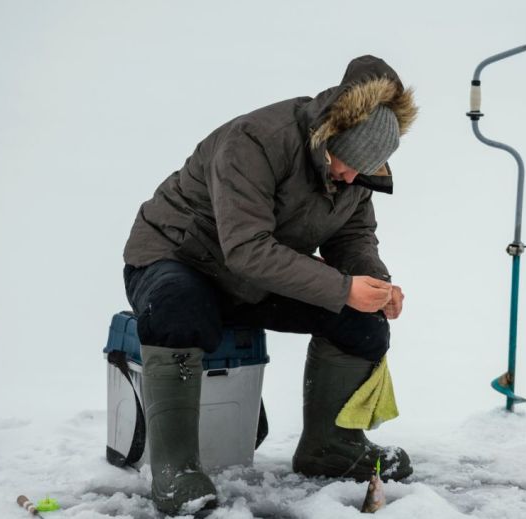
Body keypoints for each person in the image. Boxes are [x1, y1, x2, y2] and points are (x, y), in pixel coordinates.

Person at [121, 55, 417, 515]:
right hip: (178, 260)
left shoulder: (355, 173)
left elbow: (352, 235)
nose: (351, 178)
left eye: (365, 170)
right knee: (180, 312)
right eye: (347, 164)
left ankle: (330, 446)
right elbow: (246, 249)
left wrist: (374, 284)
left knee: (363, 319)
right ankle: (175, 468)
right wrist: (341, 287)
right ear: (329, 136)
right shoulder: (256, 141)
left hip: (257, 279)